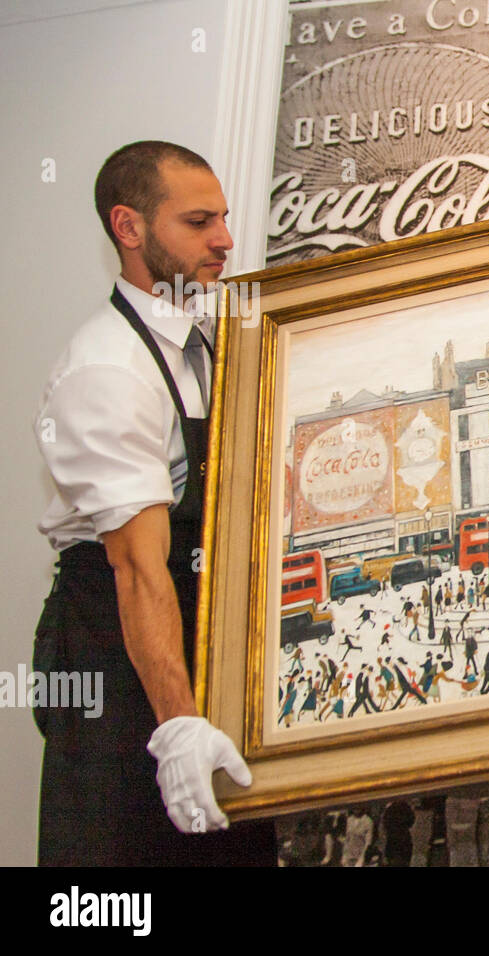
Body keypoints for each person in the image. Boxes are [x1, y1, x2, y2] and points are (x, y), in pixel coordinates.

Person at [31, 141, 274, 865]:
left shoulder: (210, 337)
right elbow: (138, 568)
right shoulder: (107, 368)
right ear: (128, 228)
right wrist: (176, 726)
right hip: (115, 648)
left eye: (224, 218)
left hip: (197, 634)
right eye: (199, 222)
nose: (225, 240)